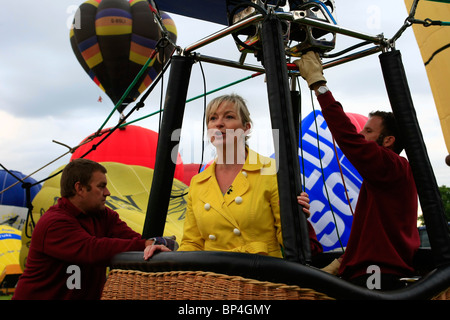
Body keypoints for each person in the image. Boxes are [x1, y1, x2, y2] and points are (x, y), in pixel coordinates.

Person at [295, 51, 420, 290]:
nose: (361, 135)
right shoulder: (387, 177)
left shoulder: (390, 165)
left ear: (388, 140)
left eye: (368, 132)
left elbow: (347, 136)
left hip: (377, 276)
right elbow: (375, 234)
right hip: (375, 272)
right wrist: (343, 261)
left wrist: (318, 85)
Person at [144, 94, 322, 260]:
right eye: (213, 118)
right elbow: (193, 243)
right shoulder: (198, 182)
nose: (219, 124)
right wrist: (169, 257)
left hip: (261, 276)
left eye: (228, 117)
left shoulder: (271, 171)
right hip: (214, 280)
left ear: (246, 128)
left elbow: (291, 241)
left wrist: (297, 220)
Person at [12, 159, 169, 300]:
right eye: (101, 186)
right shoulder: (54, 222)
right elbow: (91, 249)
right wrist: (145, 245)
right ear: (80, 188)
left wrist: (152, 244)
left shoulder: (105, 216)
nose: (107, 193)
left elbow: (134, 240)